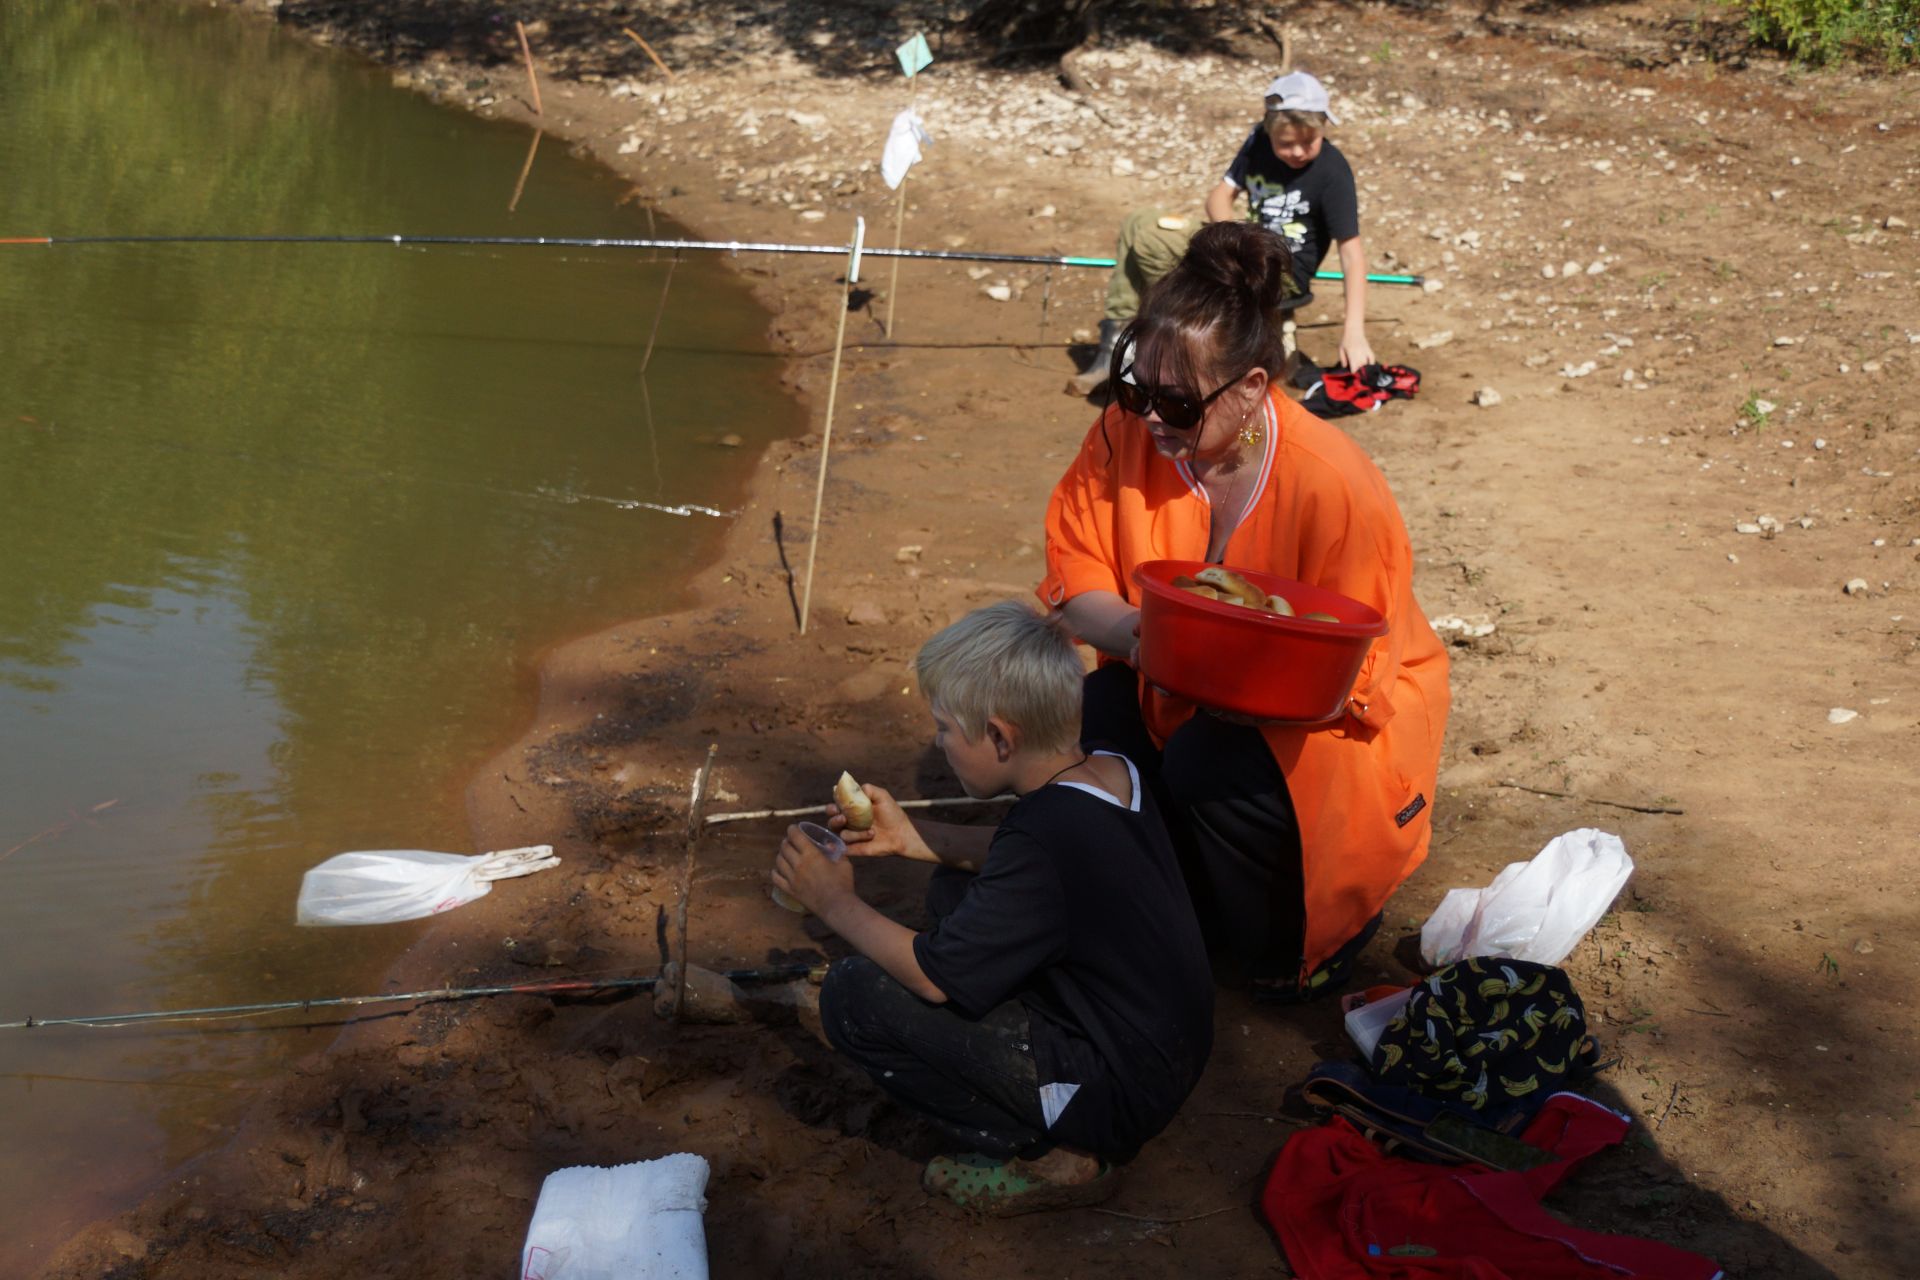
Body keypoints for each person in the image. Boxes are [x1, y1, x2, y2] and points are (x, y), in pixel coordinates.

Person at [1041, 220, 1449, 1002]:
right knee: (1101, 709)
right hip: (1177, 691)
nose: (1149, 418)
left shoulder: (1334, 486)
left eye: (1176, 402)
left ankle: (1292, 946)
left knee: (1208, 759)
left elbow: (1348, 681)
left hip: (1328, 726)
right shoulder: (1126, 433)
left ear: (1255, 388)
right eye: (1134, 390)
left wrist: (1210, 677)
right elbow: (1074, 574)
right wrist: (1142, 635)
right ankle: (1179, 897)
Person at [773, 601, 1213, 1216]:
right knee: (952, 894)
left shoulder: (1041, 837)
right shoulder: (1110, 768)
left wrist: (833, 901)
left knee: (853, 996)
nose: (939, 742)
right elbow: (1033, 865)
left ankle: (1056, 1151)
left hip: (1115, 1092)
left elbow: (930, 979)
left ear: (1001, 737)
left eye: (946, 728)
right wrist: (912, 838)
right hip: (1164, 1047)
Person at [1068, 69, 1373, 396]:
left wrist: (1353, 330)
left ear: (1324, 127)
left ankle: (1175, 333)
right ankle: (1117, 347)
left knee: (1151, 239)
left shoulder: (1332, 170)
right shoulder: (1258, 141)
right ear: (1270, 129)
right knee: (1137, 221)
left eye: (1308, 142)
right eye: (1286, 143)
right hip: (1245, 246)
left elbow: (1351, 254)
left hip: (1281, 272)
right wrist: (1234, 238)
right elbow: (1219, 197)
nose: (1298, 151)